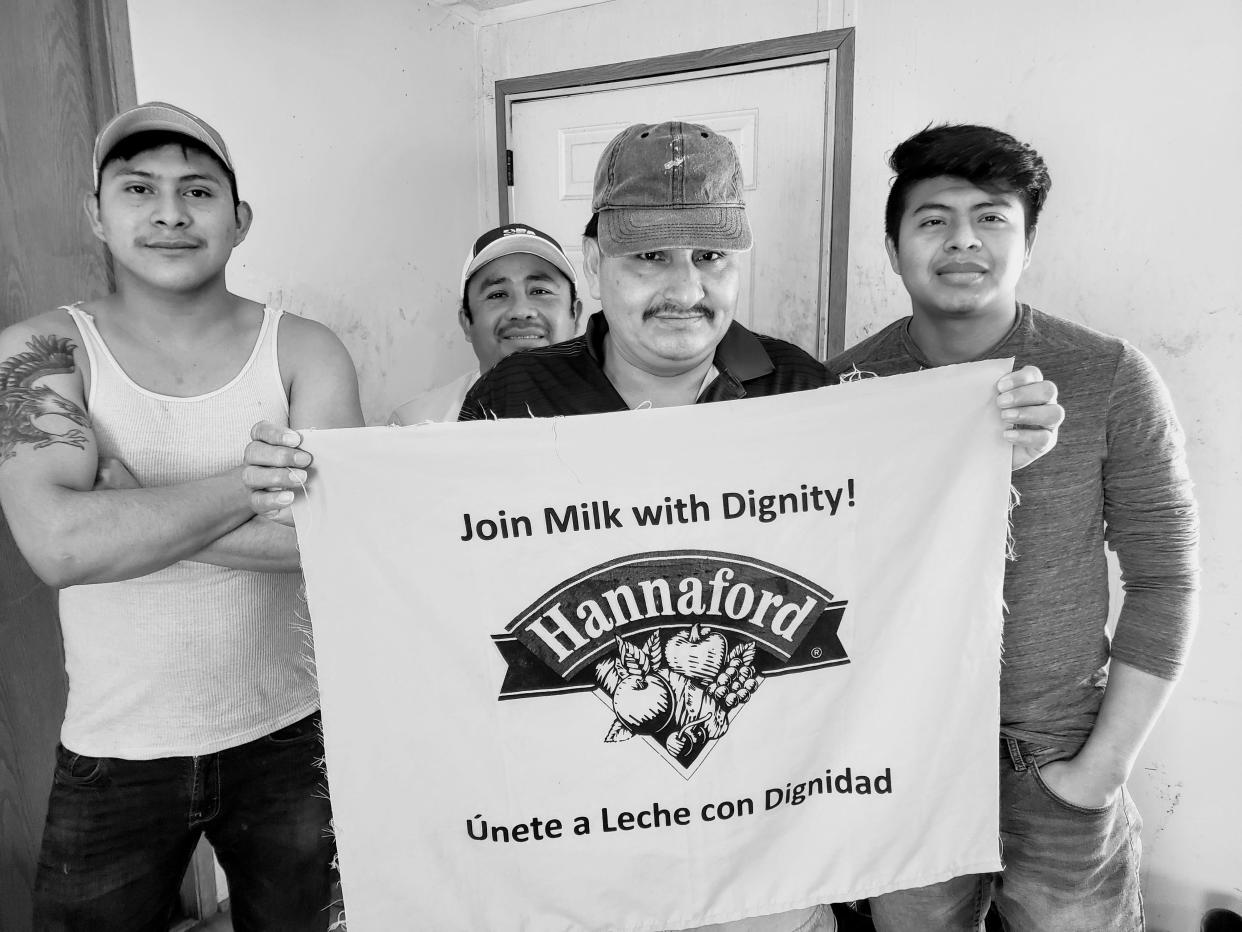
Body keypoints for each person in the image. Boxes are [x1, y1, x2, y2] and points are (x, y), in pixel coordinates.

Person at [244, 120, 1063, 932]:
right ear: (599, 265)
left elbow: (877, 551)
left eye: (710, 257)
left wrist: (985, 465)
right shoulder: (516, 397)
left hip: (761, 848)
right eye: (649, 258)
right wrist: (322, 497)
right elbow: (448, 585)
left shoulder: (798, 389)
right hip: (577, 846)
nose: (685, 288)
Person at [826, 124, 1199, 932]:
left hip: (1060, 753)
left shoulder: (1106, 373)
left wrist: (1100, 771)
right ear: (893, 249)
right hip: (903, 760)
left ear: (1027, 243)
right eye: (932, 219)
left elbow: (1165, 576)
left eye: (991, 217)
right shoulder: (842, 390)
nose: (962, 239)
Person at [0, 101, 362, 931]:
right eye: (139, 188)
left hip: (289, 733)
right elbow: (58, 543)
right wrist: (251, 484)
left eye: (198, 192)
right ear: (98, 212)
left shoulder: (306, 349)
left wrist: (128, 511)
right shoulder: (44, 352)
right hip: (115, 744)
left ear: (239, 221)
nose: (169, 214)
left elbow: (340, 545)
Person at [388, 222, 580, 424]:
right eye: (497, 294)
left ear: (575, 314)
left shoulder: (613, 415)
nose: (521, 312)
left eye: (540, 291)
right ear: (466, 322)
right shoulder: (414, 426)